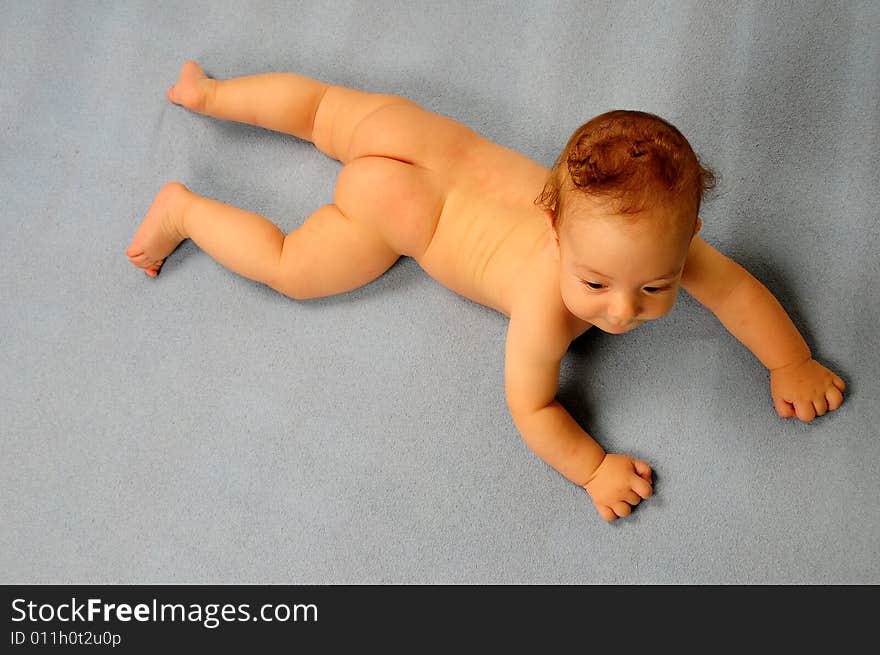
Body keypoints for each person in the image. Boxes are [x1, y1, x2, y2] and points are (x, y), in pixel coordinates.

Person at [126, 61, 847, 522]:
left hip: (427, 141)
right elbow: (530, 404)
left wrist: (790, 362)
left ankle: (211, 92)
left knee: (320, 110)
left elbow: (738, 293)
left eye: (654, 285)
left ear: (689, 232)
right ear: (556, 230)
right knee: (288, 264)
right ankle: (186, 209)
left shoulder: (655, 241)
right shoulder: (545, 304)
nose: (622, 310)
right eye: (595, 283)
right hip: (398, 212)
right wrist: (592, 467)